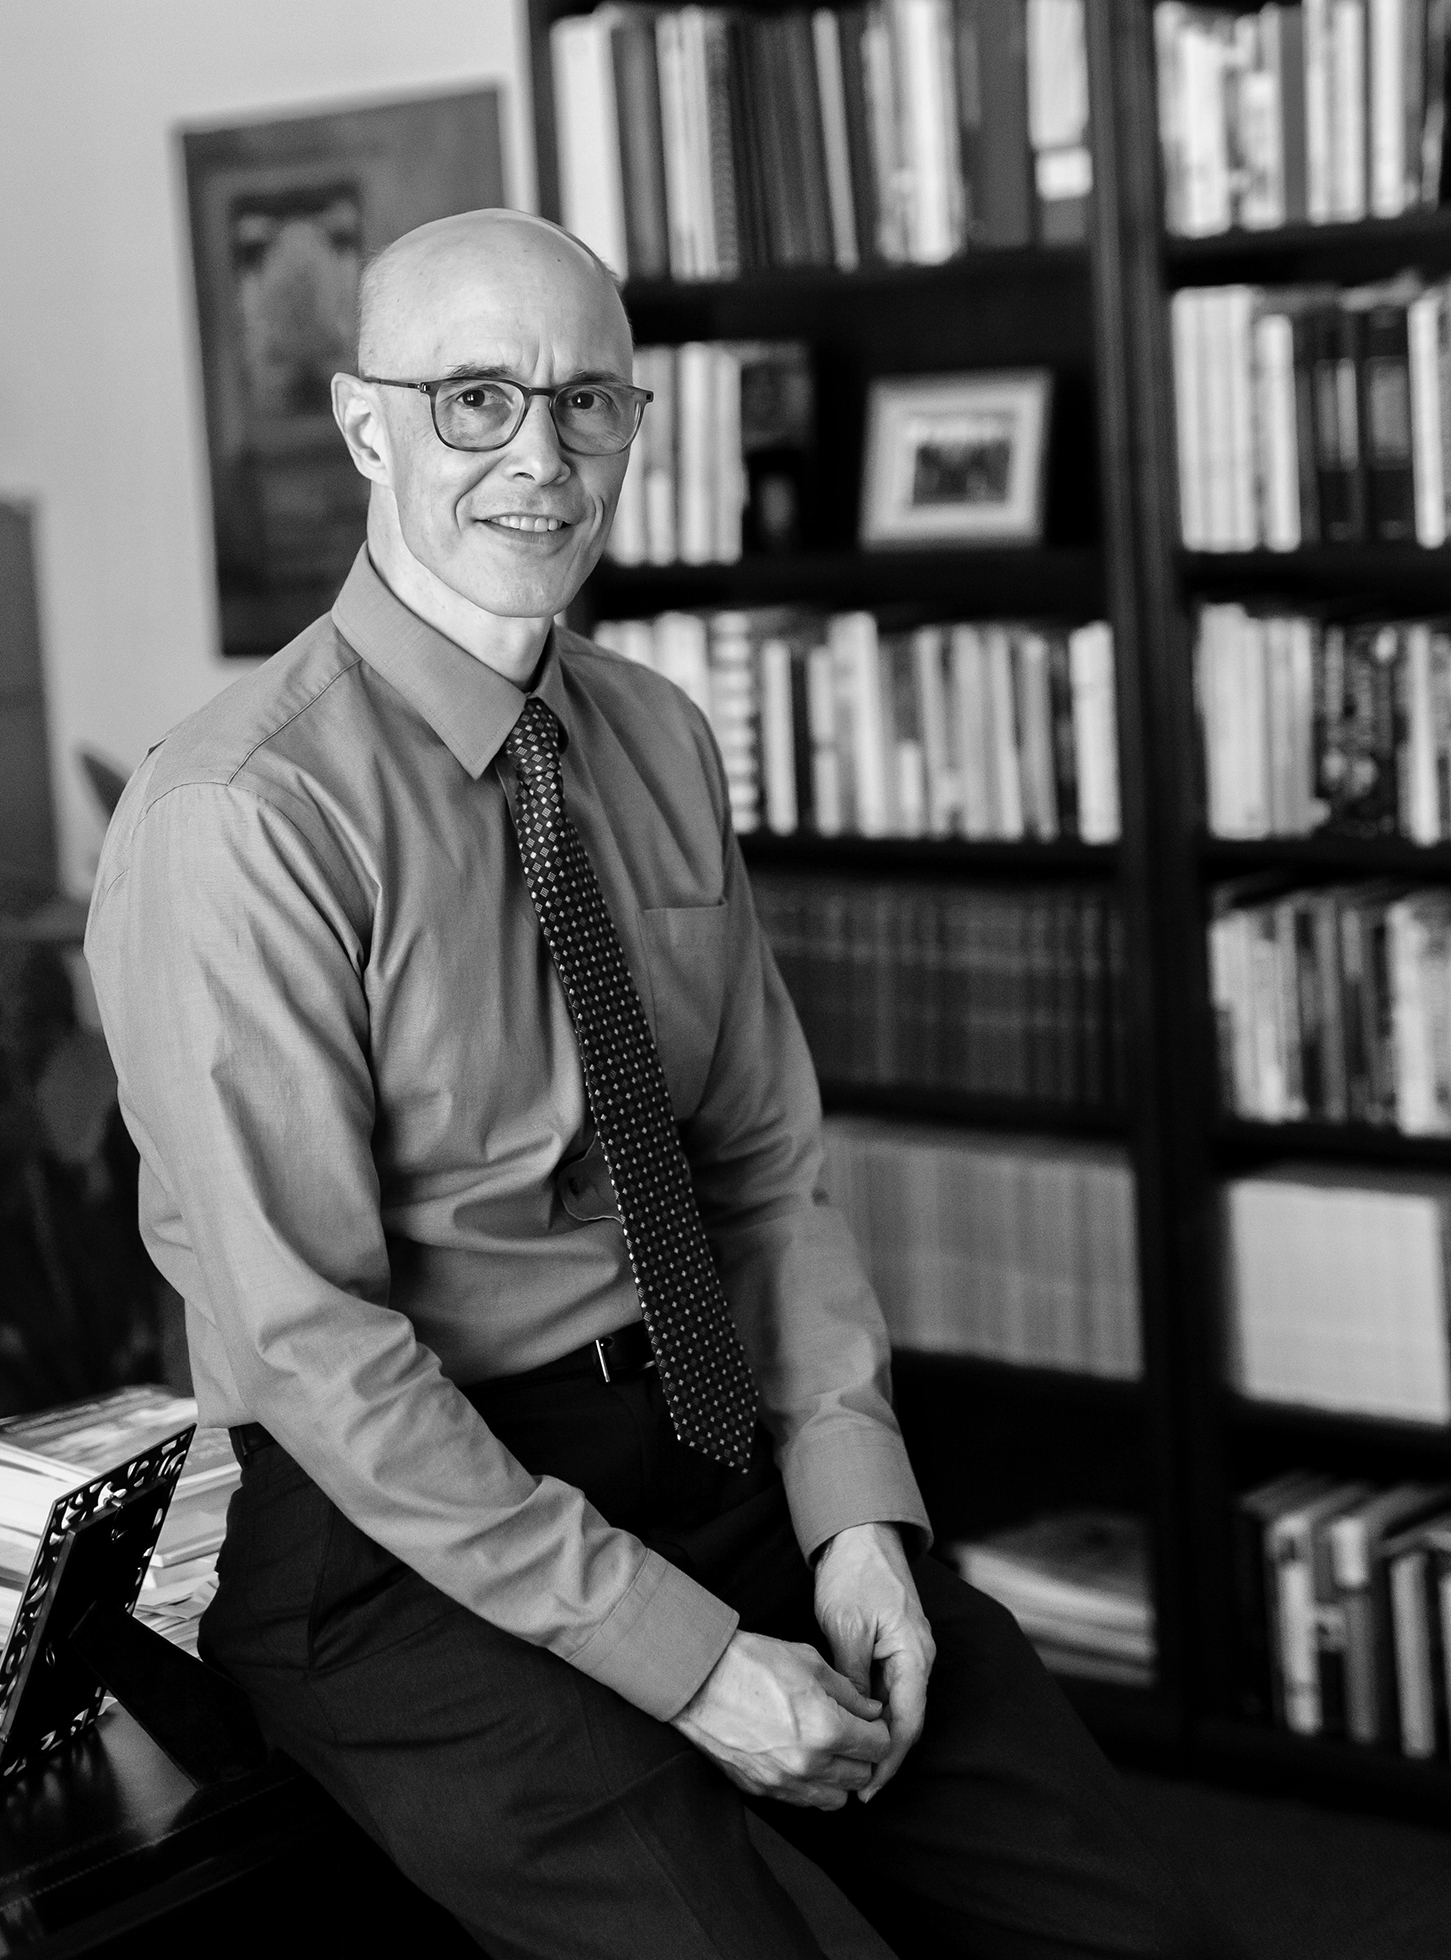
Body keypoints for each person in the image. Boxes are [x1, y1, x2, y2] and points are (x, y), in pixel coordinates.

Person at [87, 209, 1243, 1960]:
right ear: (363, 425)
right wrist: (691, 1663)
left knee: (1143, 1934)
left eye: (590, 404)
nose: (540, 459)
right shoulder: (238, 816)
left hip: (713, 1437)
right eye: (475, 400)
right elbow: (321, 1349)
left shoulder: (655, 736)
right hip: (401, 1532)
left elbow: (765, 1172)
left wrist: (854, 1511)